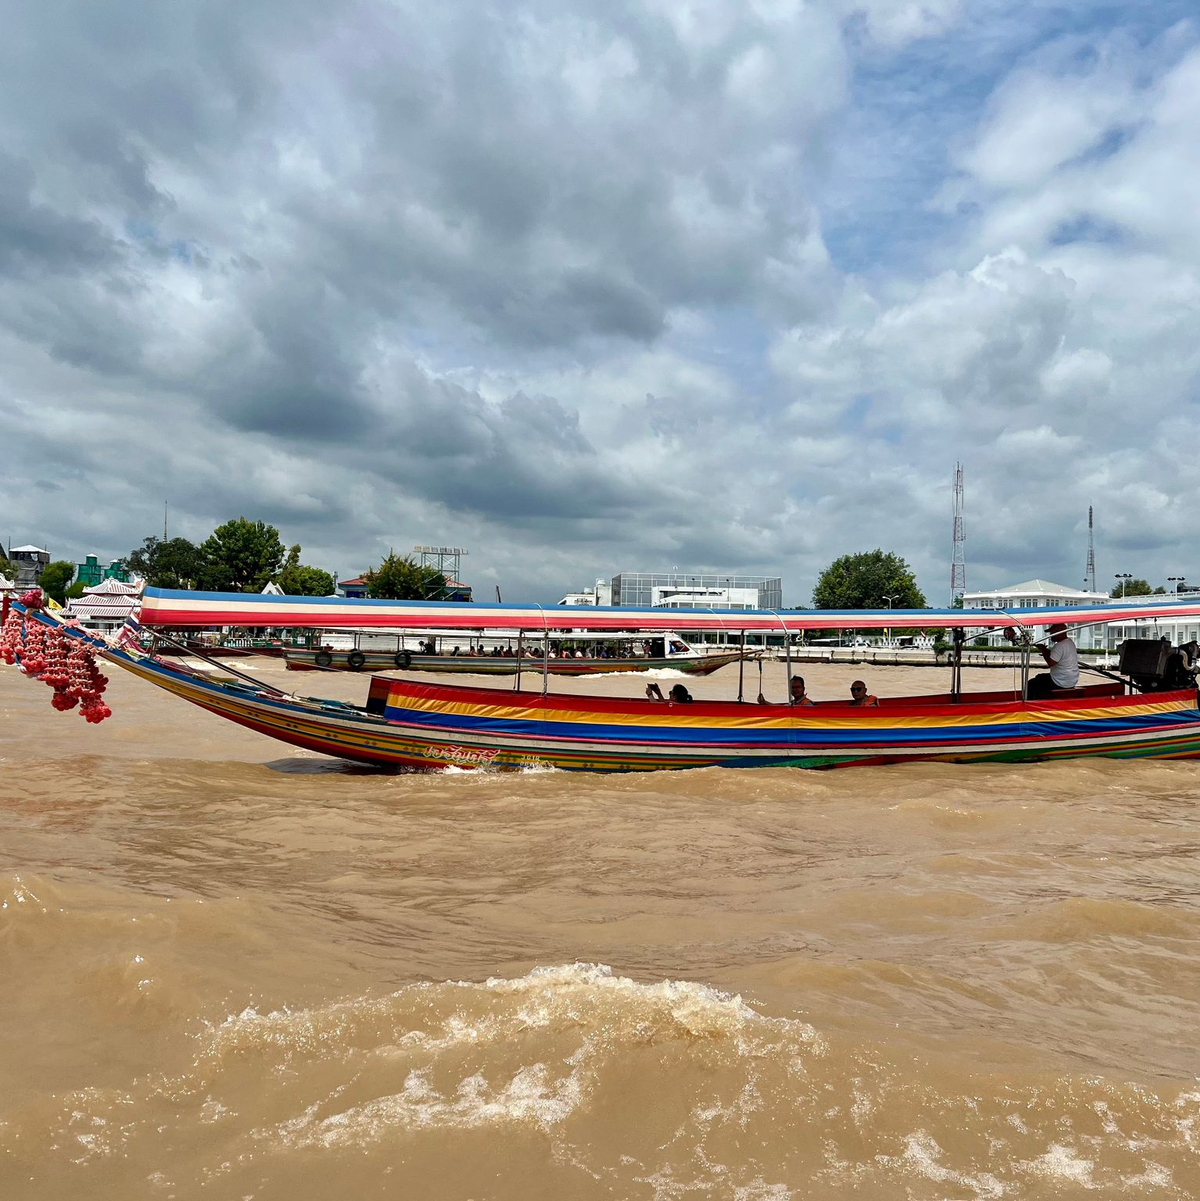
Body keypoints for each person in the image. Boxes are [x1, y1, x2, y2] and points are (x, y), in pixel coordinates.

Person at [1028, 622, 1079, 698]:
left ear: (1059, 632)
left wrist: (1043, 650)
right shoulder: (1070, 642)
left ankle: (1031, 704)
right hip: (1071, 680)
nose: (1050, 635)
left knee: (1031, 684)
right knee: (1040, 677)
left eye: (1052, 632)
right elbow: (1056, 655)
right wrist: (1045, 650)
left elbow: (1050, 663)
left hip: (1060, 681)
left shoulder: (1059, 646)